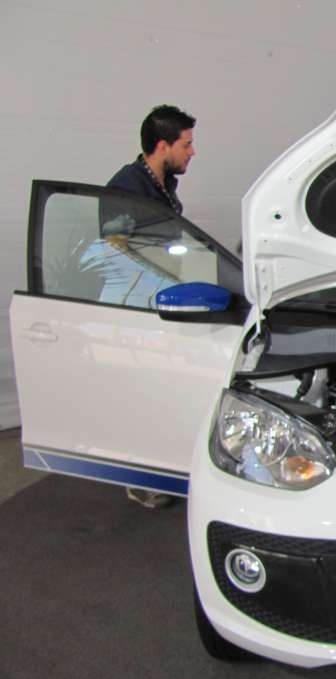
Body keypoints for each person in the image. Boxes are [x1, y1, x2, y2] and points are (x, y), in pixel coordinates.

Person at [107, 105, 196, 508]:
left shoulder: (163, 185)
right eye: (186, 144)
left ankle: (161, 468)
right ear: (163, 146)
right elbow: (114, 251)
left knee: (160, 392)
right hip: (134, 307)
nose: (192, 152)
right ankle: (137, 479)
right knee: (137, 396)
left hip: (160, 302)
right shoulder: (127, 188)